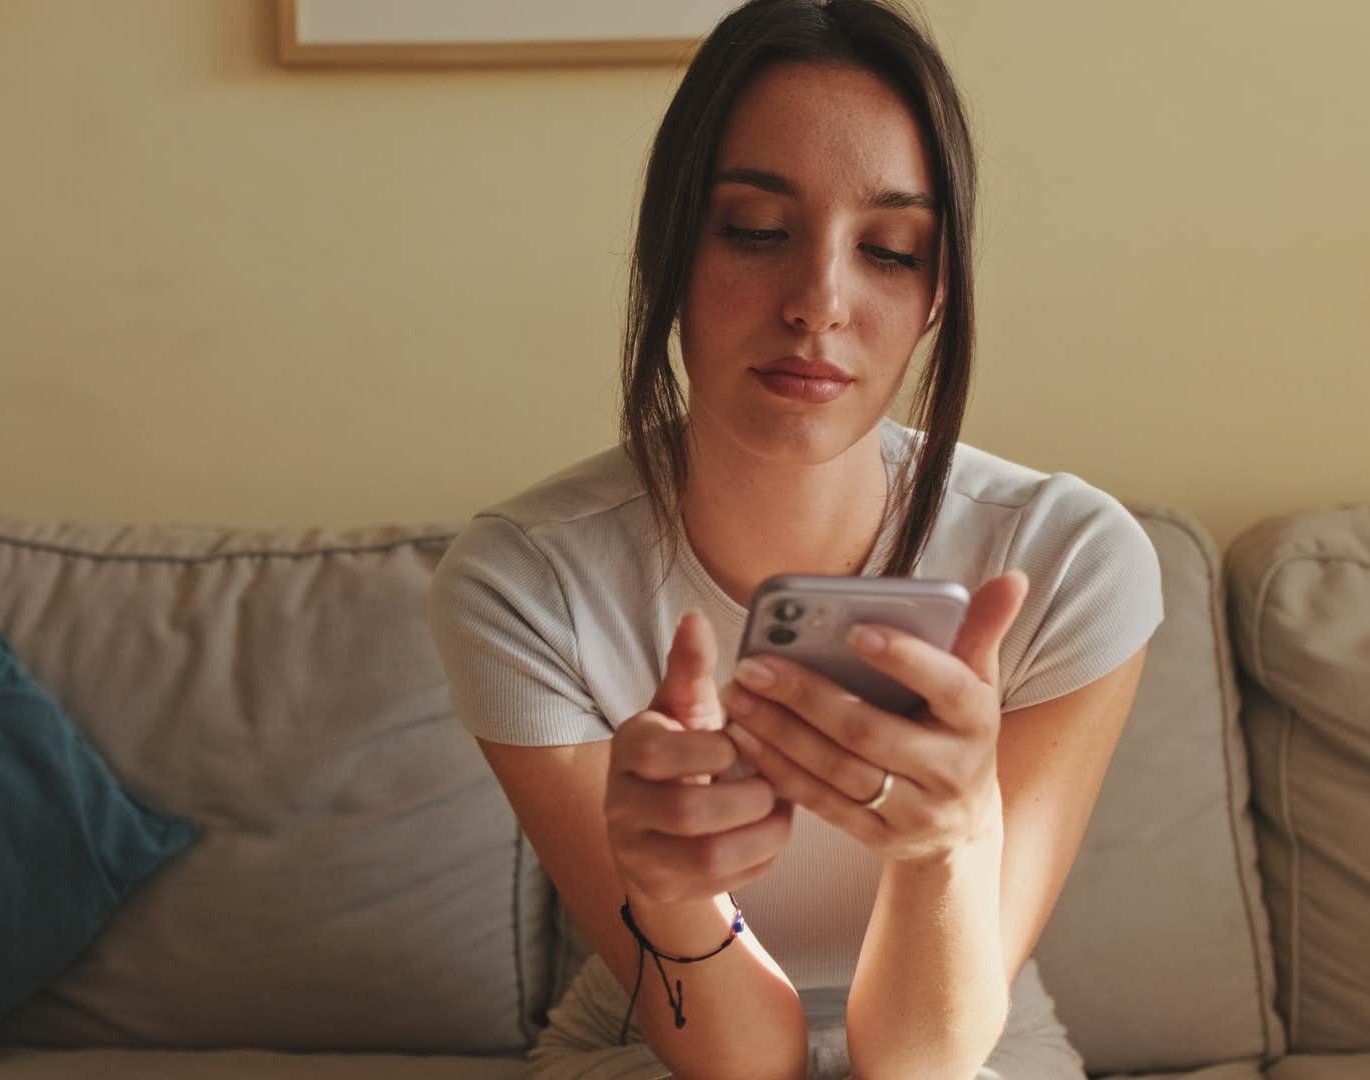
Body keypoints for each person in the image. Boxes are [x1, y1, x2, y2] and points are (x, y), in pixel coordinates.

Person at [427, 2, 1163, 1076]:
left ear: (935, 296)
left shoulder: (1071, 562)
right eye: (758, 232)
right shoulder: (524, 585)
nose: (818, 302)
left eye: (889, 249)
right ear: (670, 251)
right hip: (664, 1032)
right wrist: (675, 893)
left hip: (962, 1036)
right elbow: (736, 1063)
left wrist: (947, 844)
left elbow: (923, 1057)